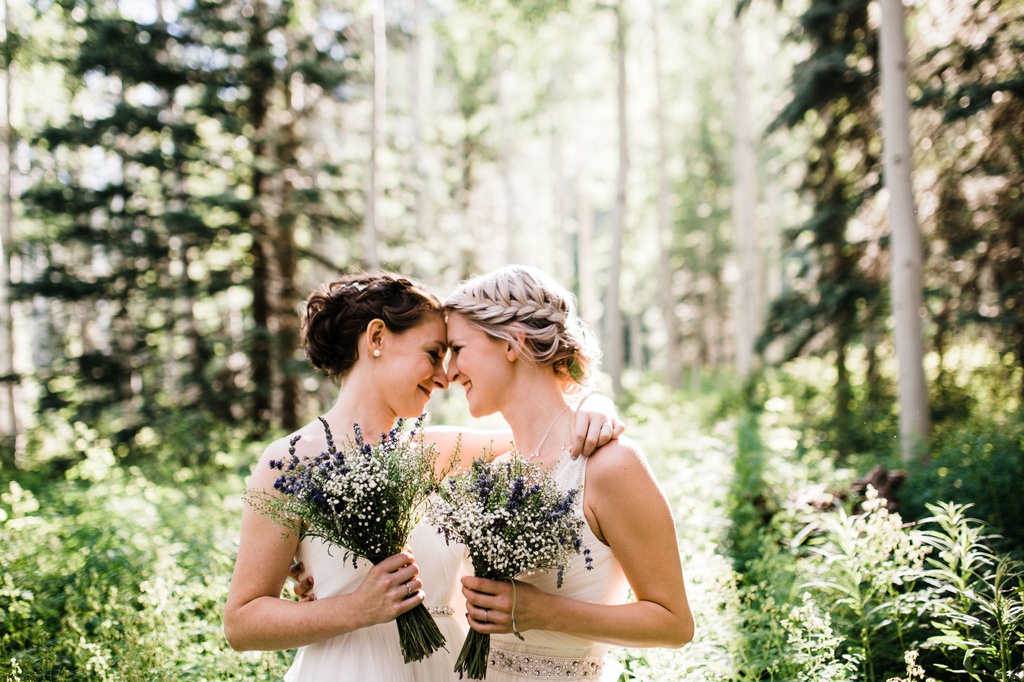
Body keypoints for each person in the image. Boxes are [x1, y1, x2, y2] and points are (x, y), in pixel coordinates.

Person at [223, 272, 621, 682]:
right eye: (433, 353)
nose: (445, 377)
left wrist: (595, 404)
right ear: (377, 338)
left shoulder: (440, 452)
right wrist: (354, 608)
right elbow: (242, 623)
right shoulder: (291, 462)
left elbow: (555, 442)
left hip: (450, 668)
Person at [444, 265, 695, 681]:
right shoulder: (493, 473)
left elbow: (674, 624)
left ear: (512, 342)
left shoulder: (609, 465)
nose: (450, 372)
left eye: (459, 348)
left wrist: (542, 611)